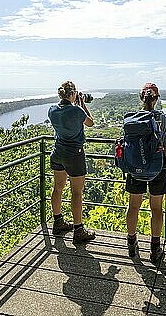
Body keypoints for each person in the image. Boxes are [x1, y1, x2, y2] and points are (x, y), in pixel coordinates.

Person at [125, 83, 166, 265]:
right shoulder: (165, 120)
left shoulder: (132, 119)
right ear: (157, 98)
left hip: (135, 167)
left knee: (134, 206)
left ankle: (131, 242)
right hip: (158, 168)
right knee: (156, 208)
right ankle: (155, 249)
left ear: (141, 97)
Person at [48, 81, 96, 245]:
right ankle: (78, 229)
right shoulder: (77, 110)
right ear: (73, 94)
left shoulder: (52, 110)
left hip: (57, 153)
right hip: (74, 155)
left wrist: (76, 103)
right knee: (76, 192)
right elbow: (90, 122)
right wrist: (82, 104)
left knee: (58, 188)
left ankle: (58, 221)